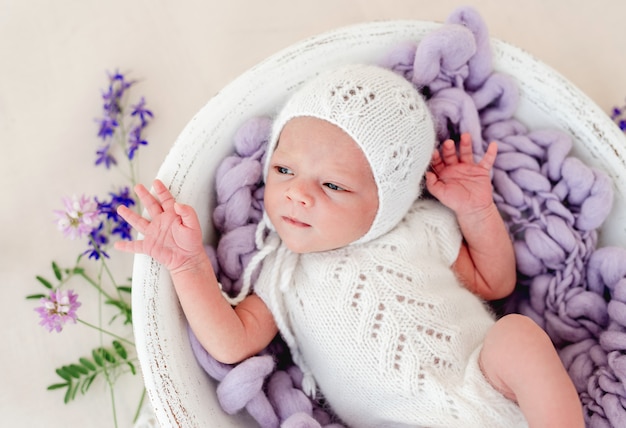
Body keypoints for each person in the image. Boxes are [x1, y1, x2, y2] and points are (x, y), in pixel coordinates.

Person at [116, 64, 583, 427]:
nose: (298, 193)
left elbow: (495, 281)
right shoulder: (282, 273)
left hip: (488, 384)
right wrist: (187, 263)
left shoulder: (418, 228)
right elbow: (229, 341)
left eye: (334, 186)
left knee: (517, 335)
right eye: (283, 170)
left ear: (388, 202)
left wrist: (477, 211)